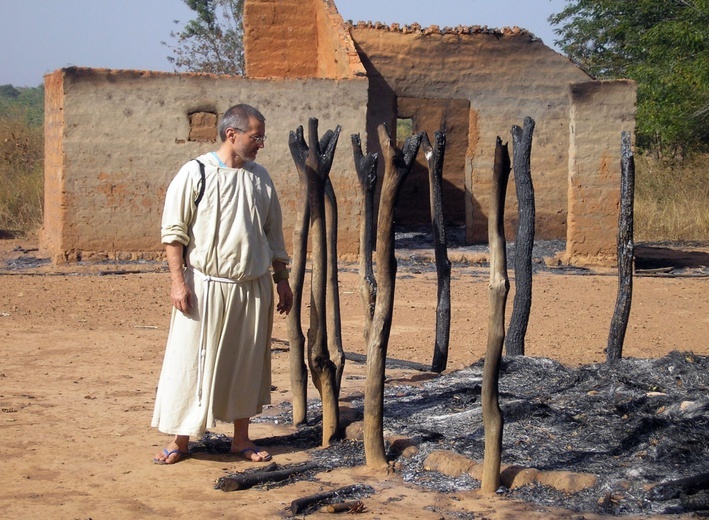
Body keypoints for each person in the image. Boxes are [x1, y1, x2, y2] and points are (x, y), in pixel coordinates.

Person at [151, 103, 293, 464]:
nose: (261, 143)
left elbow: (273, 236)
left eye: (262, 137)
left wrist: (282, 282)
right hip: (204, 287)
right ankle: (181, 440)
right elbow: (174, 235)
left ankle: (241, 439)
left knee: (245, 363)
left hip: (251, 286)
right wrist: (177, 283)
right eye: (255, 136)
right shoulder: (194, 173)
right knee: (193, 361)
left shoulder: (260, 178)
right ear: (232, 134)